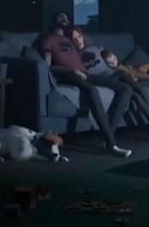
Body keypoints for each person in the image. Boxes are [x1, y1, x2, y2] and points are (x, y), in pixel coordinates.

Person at [38, 12, 133, 158]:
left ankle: (109, 133)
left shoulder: (68, 40)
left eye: (66, 17)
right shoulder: (49, 40)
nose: (65, 19)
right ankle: (111, 144)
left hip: (84, 74)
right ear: (52, 23)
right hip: (67, 75)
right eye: (61, 17)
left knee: (125, 88)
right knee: (92, 91)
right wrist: (72, 71)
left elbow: (83, 52)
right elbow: (48, 67)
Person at [69, 27, 149, 146]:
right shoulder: (74, 55)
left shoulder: (96, 47)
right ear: (71, 41)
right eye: (74, 38)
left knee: (135, 95)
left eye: (79, 36)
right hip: (101, 80)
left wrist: (112, 62)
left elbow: (109, 58)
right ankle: (141, 92)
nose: (78, 40)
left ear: (83, 36)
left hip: (113, 74)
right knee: (125, 78)